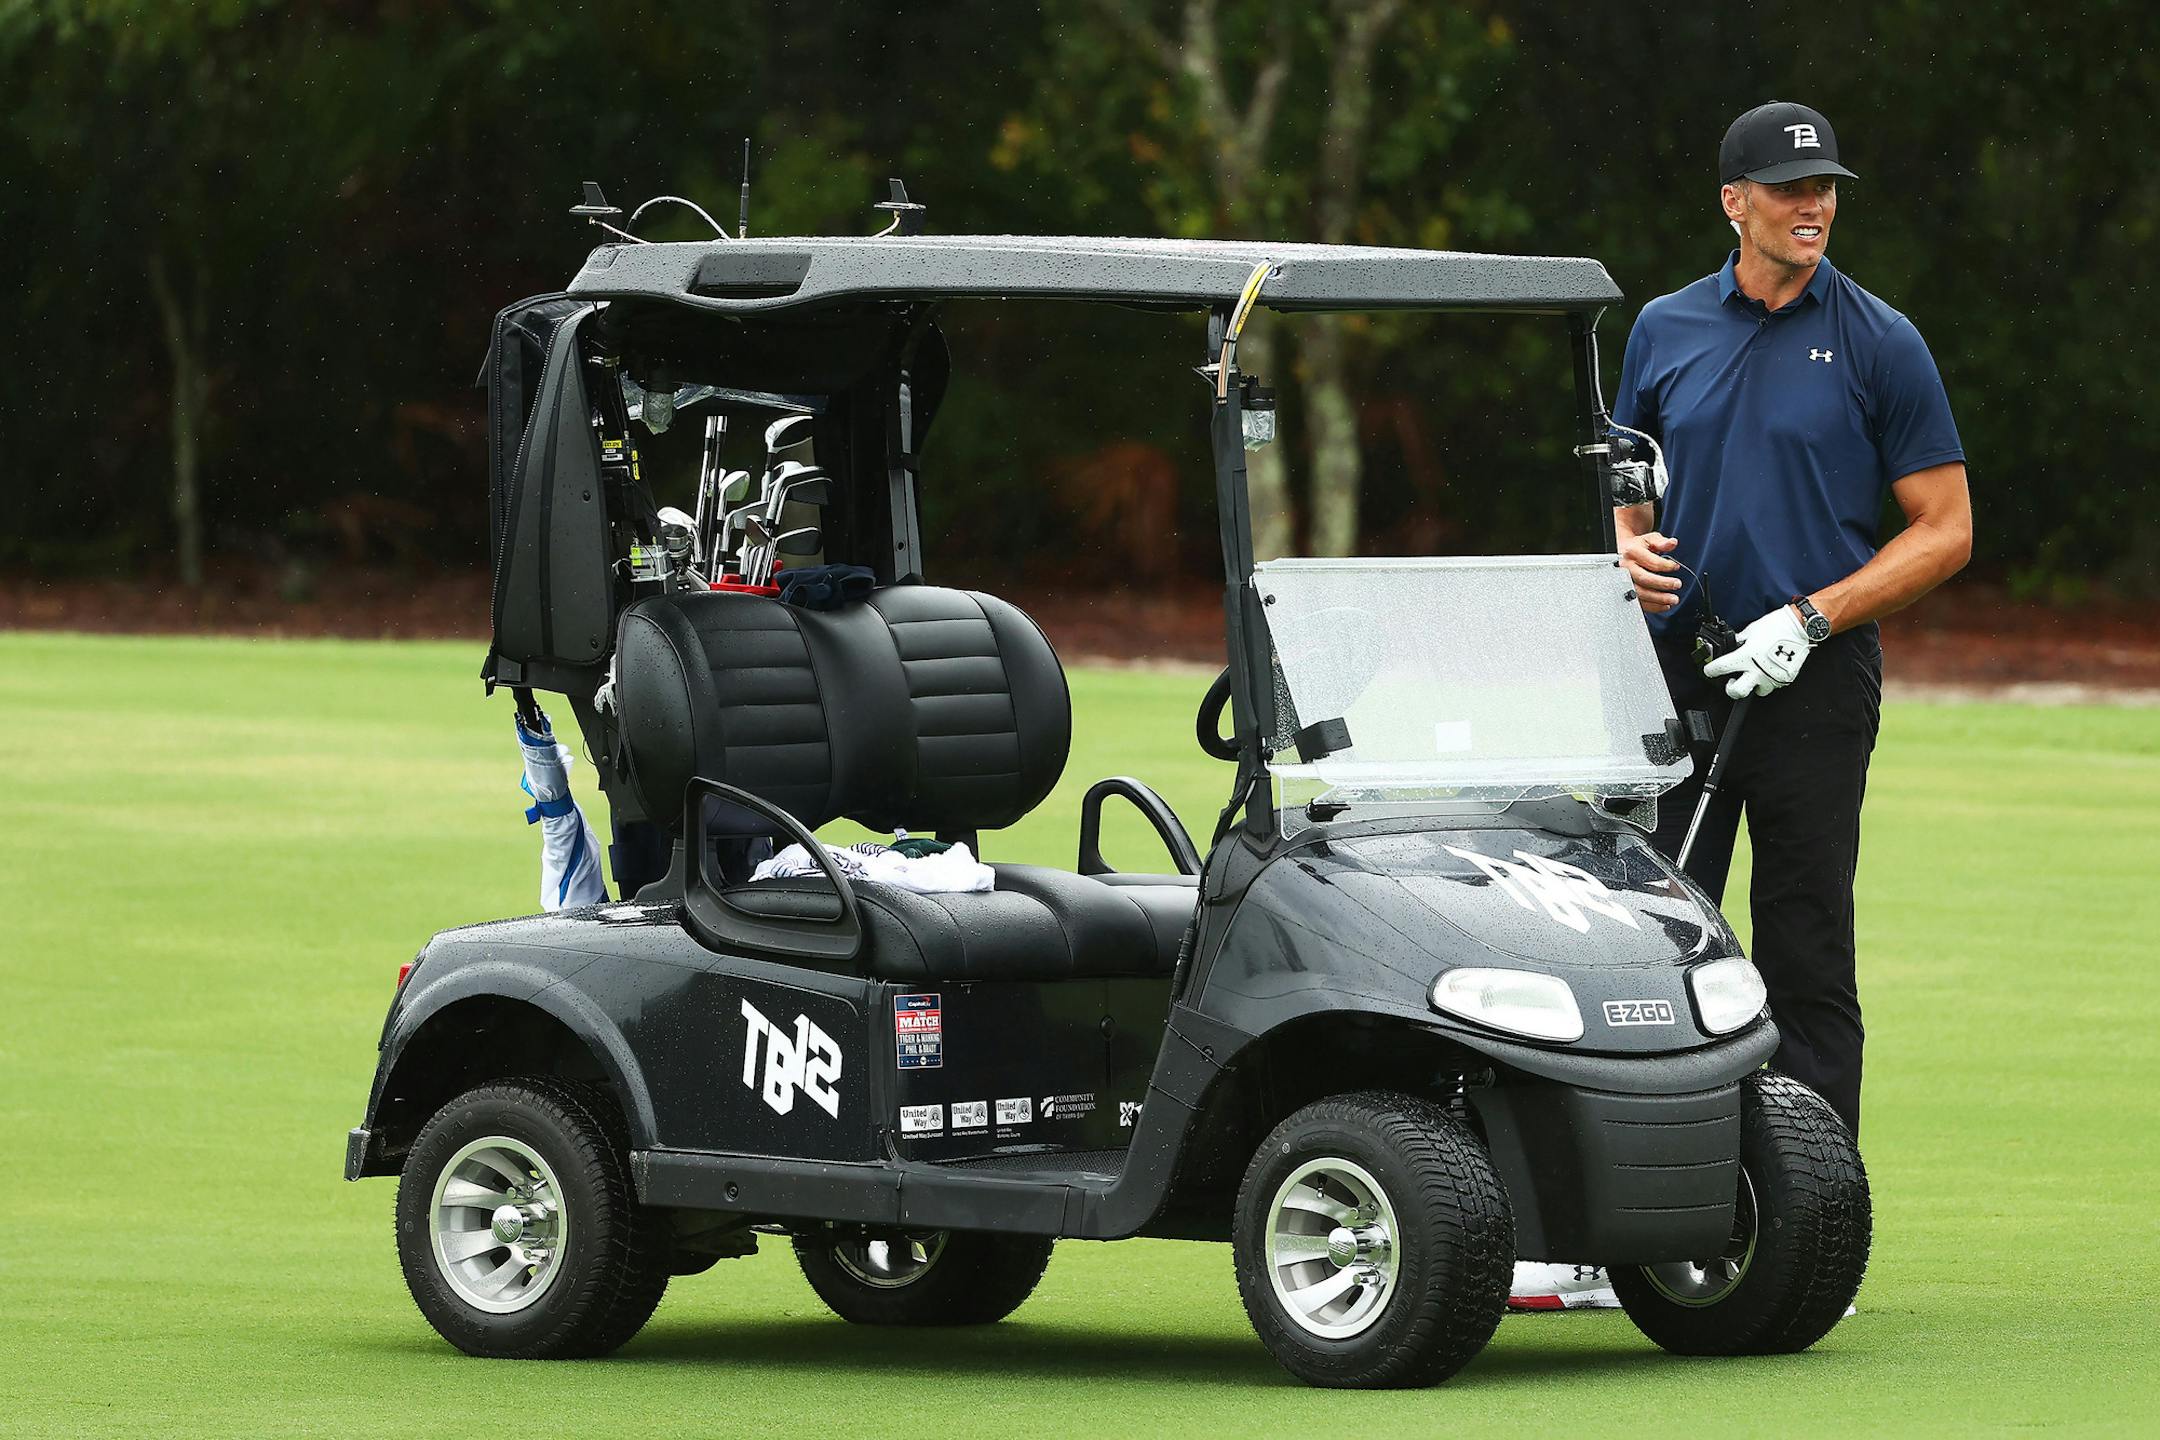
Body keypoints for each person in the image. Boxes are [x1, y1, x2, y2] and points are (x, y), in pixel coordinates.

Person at [1511, 100, 1972, 1314]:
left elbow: (1946, 530)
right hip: (1672, 677)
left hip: (1813, 680)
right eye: (1786, 189)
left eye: (1825, 187)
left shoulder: (1881, 342)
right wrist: (1626, 549)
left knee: (1806, 944)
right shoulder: (1664, 328)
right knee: (1637, 943)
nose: (1812, 205)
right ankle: (1602, 1227)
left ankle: (1811, 1231)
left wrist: (1814, 617)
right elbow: (1626, 483)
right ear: (1734, 203)